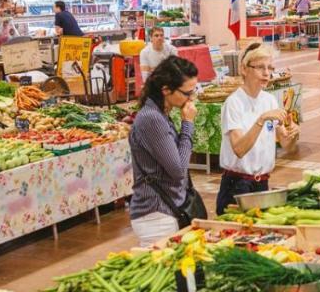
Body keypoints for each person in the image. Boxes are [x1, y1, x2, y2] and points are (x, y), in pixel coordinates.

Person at [127, 55, 200, 245]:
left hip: (167, 209)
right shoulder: (152, 119)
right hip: (157, 214)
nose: (191, 98)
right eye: (186, 93)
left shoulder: (160, 114)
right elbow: (178, 170)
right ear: (166, 89)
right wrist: (187, 124)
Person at [217, 44, 297, 214]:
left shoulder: (269, 100)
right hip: (237, 186)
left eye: (270, 68)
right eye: (260, 67)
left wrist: (293, 135)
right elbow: (239, 149)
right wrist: (261, 120)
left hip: (262, 183)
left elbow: (286, 145)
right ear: (244, 69)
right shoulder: (234, 103)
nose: (267, 73)